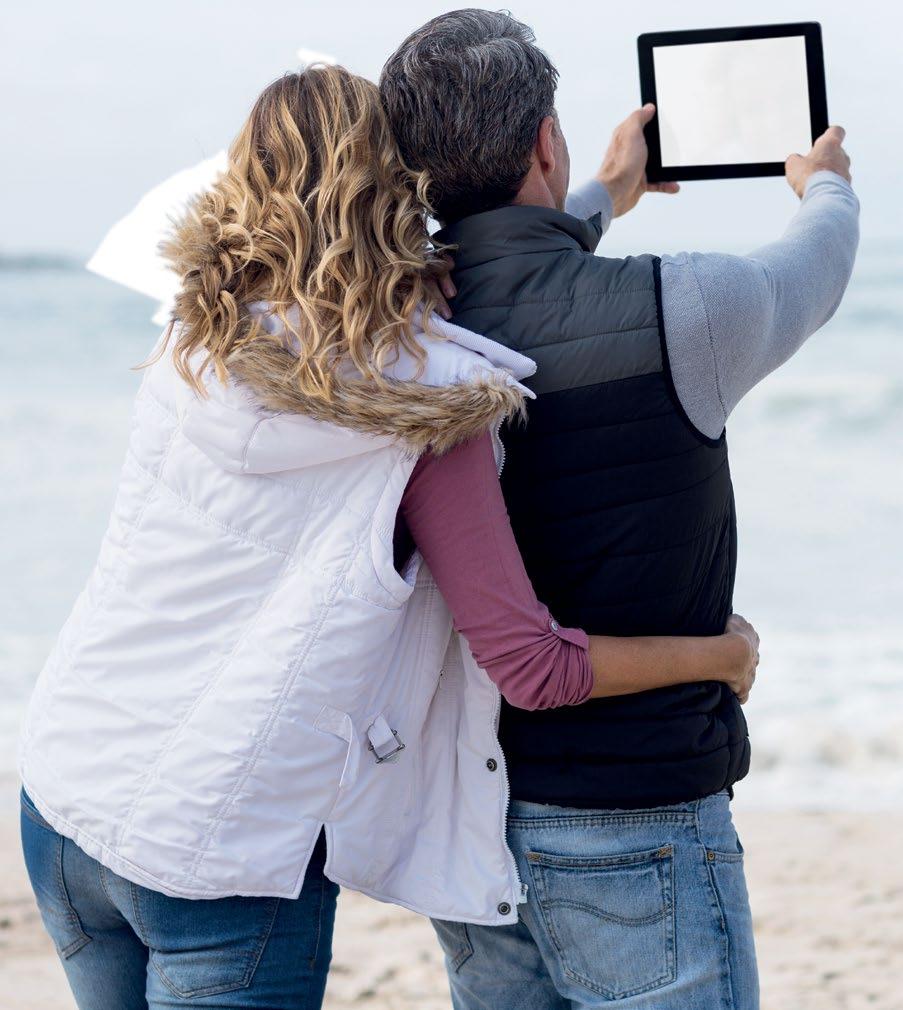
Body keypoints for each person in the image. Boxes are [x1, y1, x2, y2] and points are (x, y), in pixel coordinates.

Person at [18, 67, 760, 1010]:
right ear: (403, 195)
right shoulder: (424, 407)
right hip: (217, 857)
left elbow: (401, 294)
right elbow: (531, 668)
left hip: (64, 791)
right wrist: (718, 655)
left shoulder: (193, 336)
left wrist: (606, 192)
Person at [380, 10, 859, 1010]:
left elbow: (513, 272)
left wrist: (604, 193)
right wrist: (826, 185)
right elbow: (813, 272)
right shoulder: (687, 308)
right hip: (637, 816)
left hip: (465, 821)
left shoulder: (393, 332)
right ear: (544, 142)